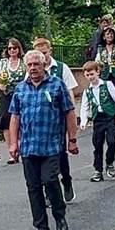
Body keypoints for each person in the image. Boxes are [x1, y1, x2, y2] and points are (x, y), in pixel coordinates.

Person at [8, 49, 79, 230]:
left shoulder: (57, 85)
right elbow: (14, 117)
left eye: (36, 64)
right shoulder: (20, 89)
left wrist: (72, 139)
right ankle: (41, 228)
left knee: (49, 180)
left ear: (43, 66)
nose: (33, 68)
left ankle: (59, 214)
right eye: (29, 65)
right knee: (33, 188)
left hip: (51, 146)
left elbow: (69, 112)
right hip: (29, 148)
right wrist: (13, 144)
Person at [33, 37, 79, 204]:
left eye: (44, 53)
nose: (42, 57)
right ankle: (48, 189)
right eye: (39, 54)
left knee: (59, 153)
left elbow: (70, 92)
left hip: (59, 119)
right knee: (42, 154)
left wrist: (71, 115)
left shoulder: (61, 68)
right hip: (42, 121)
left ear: (50, 51)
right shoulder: (32, 69)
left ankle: (66, 180)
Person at [80, 60, 115, 182]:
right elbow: (84, 107)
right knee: (97, 145)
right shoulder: (87, 91)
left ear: (98, 72)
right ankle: (98, 170)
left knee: (112, 141)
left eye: (92, 74)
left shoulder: (107, 85)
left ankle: (109, 162)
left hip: (109, 117)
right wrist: (83, 120)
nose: (90, 77)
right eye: (87, 75)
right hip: (98, 120)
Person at [0, 38, 27, 164]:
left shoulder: (24, 63)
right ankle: (12, 152)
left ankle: (22, 147)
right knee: (5, 120)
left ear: (19, 49)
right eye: (10, 48)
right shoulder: (2, 63)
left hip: (21, 94)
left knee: (22, 120)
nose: (12, 50)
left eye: (15, 48)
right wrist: (0, 86)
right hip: (6, 95)